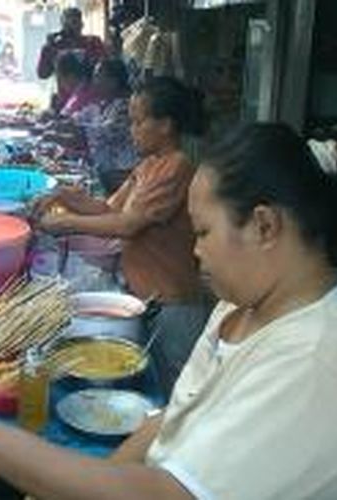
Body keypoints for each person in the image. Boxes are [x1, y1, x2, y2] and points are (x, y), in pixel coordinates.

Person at [0, 123, 337, 500]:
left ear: (264, 226)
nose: (195, 251)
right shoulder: (248, 304)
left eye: (203, 233)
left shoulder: (314, 361)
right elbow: (168, 421)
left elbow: (166, 494)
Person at [40, 77, 211, 393]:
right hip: (146, 299)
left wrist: (67, 224)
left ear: (165, 125)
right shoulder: (148, 166)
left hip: (173, 305)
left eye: (137, 122)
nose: (131, 130)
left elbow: (128, 225)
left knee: (175, 391)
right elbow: (108, 209)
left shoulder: (177, 168)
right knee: (150, 382)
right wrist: (63, 196)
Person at [72, 58, 139, 194]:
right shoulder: (105, 104)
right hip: (106, 174)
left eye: (98, 76)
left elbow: (103, 132)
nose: (94, 80)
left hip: (120, 177)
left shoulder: (125, 107)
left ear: (113, 81)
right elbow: (77, 120)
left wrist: (69, 130)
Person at [37, 7, 106, 109]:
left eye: (74, 22)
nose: (71, 27)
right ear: (62, 26)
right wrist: (48, 49)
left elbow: (102, 67)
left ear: (81, 24)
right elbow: (42, 74)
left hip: (90, 99)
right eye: (67, 24)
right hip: (64, 100)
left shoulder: (93, 42)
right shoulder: (55, 46)